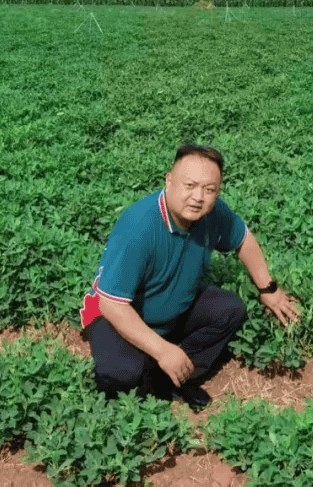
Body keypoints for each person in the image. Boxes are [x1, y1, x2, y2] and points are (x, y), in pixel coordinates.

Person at [80, 144, 299, 409]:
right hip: (114, 317)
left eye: (209, 190)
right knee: (122, 373)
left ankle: (173, 378)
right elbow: (111, 304)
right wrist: (163, 350)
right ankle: (149, 374)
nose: (198, 197)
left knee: (229, 310)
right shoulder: (139, 226)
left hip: (171, 308)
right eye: (190, 185)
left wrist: (268, 289)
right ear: (169, 181)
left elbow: (243, 238)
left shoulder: (213, 214)